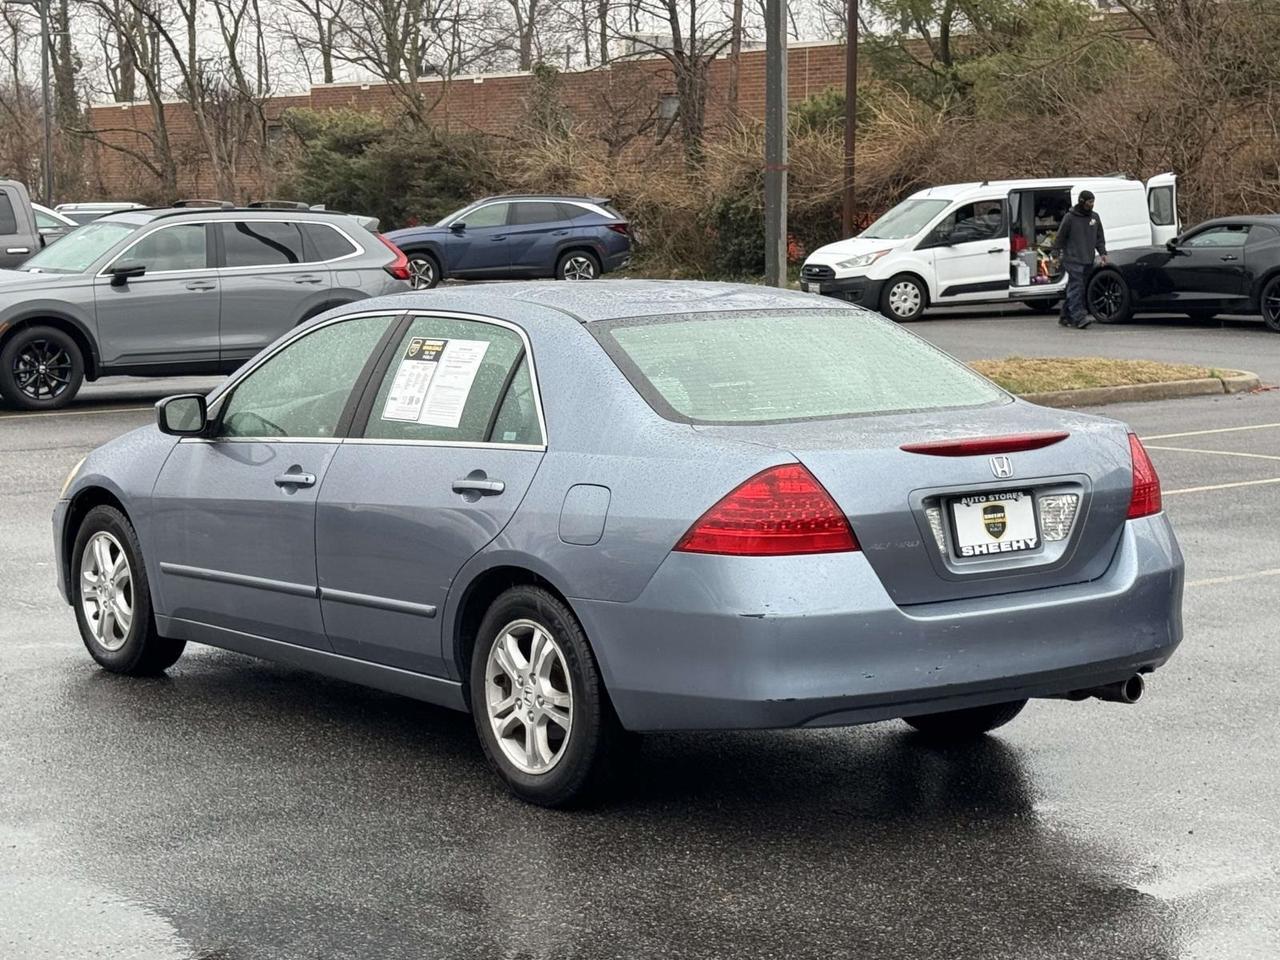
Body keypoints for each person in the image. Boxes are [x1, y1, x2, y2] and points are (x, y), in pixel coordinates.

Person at [1051, 190, 1108, 328]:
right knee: (1077, 287)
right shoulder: (1070, 218)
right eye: (1089, 202)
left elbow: (1099, 238)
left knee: (1075, 287)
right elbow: (1060, 237)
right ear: (1082, 201)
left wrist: (1103, 253)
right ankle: (1079, 317)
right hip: (1073, 259)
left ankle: (1065, 316)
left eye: (1093, 201)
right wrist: (1055, 254)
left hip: (1088, 258)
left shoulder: (1095, 217)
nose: (1092, 204)